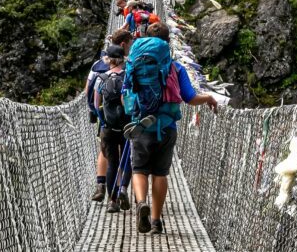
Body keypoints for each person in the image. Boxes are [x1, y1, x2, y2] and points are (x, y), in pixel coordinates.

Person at [125, 22, 217, 235]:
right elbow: (190, 97)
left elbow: (126, 96)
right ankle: (156, 221)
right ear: (168, 43)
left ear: (145, 38)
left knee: (139, 169)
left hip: (140, 126)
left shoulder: (134, 63)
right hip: (166, 127)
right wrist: (209, 97)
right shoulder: (176, 67)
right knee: (160, 173)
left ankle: (140, 204)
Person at [86, 29, 134, 201]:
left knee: (108, 156)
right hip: (127, 123)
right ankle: (123, 189)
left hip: (107, 123)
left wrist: (97, 114)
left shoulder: (99, 70)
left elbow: (90, 93)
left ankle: (106, 192)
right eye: (130, 43)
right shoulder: (130, 71)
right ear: (123, 47)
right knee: (126, 157)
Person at [95, 44, 132, 212]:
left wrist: (103, 121)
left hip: (108, 128)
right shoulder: (128, 77)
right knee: (127, 160)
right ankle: (123, 188)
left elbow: (96, 105)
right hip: (127, 127)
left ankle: (112, 201)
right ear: (123, 59)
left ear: (108, 60)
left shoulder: (101, 78)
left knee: (112, 164)